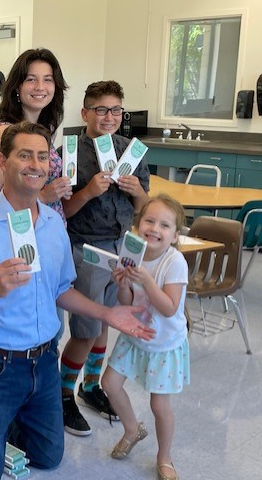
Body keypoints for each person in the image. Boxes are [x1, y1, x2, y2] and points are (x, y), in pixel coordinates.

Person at [0, 121, 155, 480]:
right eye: (24, 155)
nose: (35, 165)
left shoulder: (53, 225)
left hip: (43, 364)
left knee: (48, 456)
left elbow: (61, 290)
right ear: (2, 162)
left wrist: (108, 313)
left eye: (43, 157)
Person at [60, 80, 150, 436]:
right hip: (85, 246)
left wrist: (137, 192)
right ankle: (64, 393)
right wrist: (88, 190)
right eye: (101, 109)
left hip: (122, 247)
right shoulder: (70, 152)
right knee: (84, 328)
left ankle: (91, 385)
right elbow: (61, 210)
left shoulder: (131, 151)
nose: (109, 116)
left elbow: (144, 208)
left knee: (107, 322)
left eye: (116, 110)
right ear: (85, 113)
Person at [102, 194, 189, 480]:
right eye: (149, 221)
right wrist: (124, 283)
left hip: (163, 342)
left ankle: (165, 456)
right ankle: (131, 429)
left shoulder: (174, 262)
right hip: (134, 333)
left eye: (165, 225)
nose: (155, 229)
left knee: (159, 404)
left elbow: (169, 307)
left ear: (175, 235)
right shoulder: (132, 254)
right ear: (138, 225)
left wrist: (148, 282)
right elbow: (126, 302)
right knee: (110, 384)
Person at [0, 48, 73, 221]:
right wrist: (43, 197)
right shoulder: (5, 132)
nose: (40, 87)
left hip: (48, 228)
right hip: (22, 232)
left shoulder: (44, 130)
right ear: (17, 87)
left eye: (48, 80)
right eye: (31, 79)